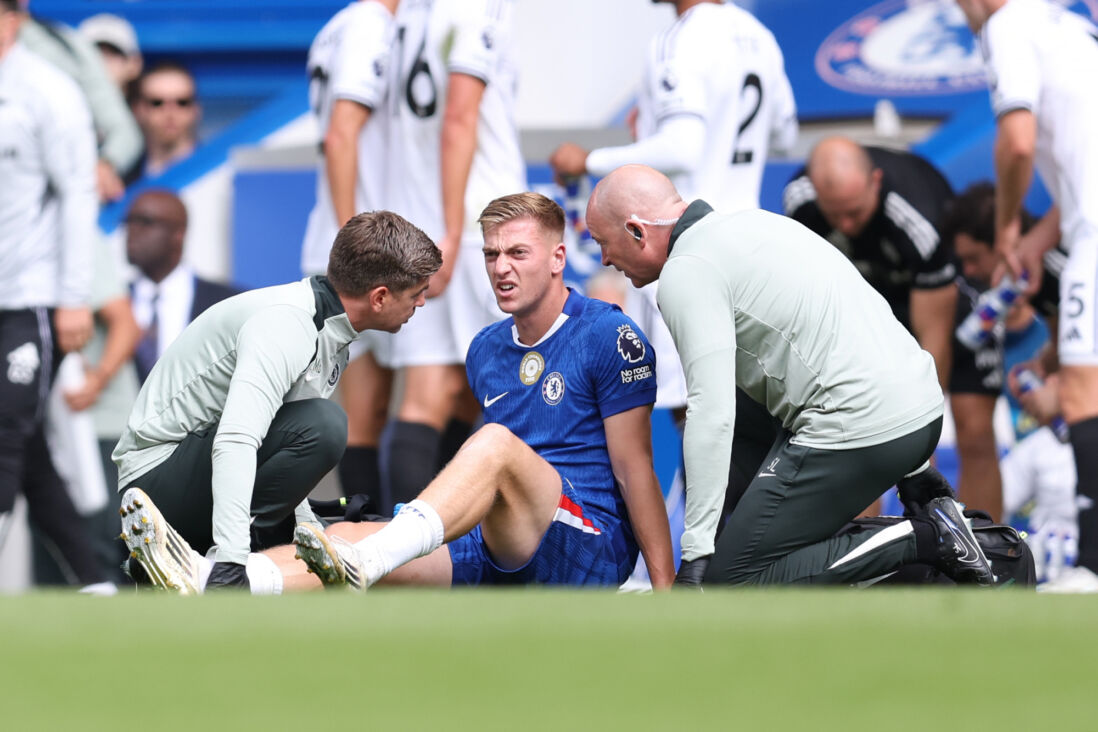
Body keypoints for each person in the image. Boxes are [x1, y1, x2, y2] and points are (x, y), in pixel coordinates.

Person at [119, 193, 675, 594]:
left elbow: (635, 468)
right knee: (347, 532)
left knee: (492, 446)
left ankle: (244, 563)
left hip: (585, 540)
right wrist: (233, 560)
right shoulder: (483, 348)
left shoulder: (608, 332)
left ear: (558, 259)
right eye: (490, 254)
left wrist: (661, 585)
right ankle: (209, 580)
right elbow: (240, 437)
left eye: (518, 254)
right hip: (499, 541)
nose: (500, 268)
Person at [585, 164, 994, 587]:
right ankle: (818, 547)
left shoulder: (686, 271)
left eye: (603, 242)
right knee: (745, 402)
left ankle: (928, 537)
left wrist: (697, 555)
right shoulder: (757, 223)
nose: (604, 259)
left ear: (636, 231)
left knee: (733, 582)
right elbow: (860, 331)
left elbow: (711, 414)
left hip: (866, 427)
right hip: (919, 413)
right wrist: (915, 470)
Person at [114, 211, 440, 592]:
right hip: (153, 486)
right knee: (325, 424)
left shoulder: (325, 325)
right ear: (380, 297)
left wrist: (308, 531)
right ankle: (209, 559)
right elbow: (237, 440)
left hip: (186, 472)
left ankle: (200, 562)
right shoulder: (288, 325)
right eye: (417, 293)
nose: (420, 304)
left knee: (319, 454)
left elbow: (279, 450)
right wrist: (230, 563)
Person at [549, 0, 797, 423]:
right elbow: (784, 135)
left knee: (696, 409)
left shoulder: (680, 38)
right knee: (742, 408)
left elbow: (682, 149)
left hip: (688, 249)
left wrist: (587, 160)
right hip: (748, 246)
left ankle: (709, 494)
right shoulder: (759, 36)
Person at [956, 0, 1098, 592]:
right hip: (1082, 225)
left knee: (1083, 394)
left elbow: (1017, 143)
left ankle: (1092, 565)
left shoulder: (1007, 26)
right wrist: (1040, 242)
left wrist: (1009, 226)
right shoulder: (1072, 27)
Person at [781, 139, 997, 515]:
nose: (846, 226)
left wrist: (920, 440)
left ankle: (983, 554)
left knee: (974, 432)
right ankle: (864, 562)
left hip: (947, 304)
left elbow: (934, 337)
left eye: (854, 213)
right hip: (873, 307)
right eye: (836, 216)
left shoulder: (917, 220)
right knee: (856, 438)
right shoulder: (799, 203)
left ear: (875, 183)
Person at [381, 0, 526, 508]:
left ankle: (423, 561)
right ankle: (515, 561)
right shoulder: (478, 7)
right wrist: (450, 227)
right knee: (516, 394)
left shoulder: (408, 17)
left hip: (428, 218)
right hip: (473, 226)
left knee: (439, 395)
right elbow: (460, 118)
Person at [0, 0, 110, 591]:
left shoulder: (48, 89)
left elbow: (77, 195)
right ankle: (95, 582)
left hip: (28, 298)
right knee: (32, 453)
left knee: (5, 430)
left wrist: (73, 298)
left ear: (15, 17)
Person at [301, 0, 399, 504]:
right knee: (414, 402)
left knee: (366, 415)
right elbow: (341, 135)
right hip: (365, 249)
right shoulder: (369, 23)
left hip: (348, 241)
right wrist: (355, 241)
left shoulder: (336, 25)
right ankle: (393, 555)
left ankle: (375, 551)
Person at [19, 6, 142, 203]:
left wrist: (105, 166)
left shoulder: (66, 45)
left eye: (113, 54)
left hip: (46, 193)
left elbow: (124, 133)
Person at [124, 190, 240, 384]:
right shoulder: (111, 304)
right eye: (129, 222)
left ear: (178, 234)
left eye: (145, 222)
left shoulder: (228, 303)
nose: (131, 232)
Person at [129, 61, 201, 182]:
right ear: (138, 110)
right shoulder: (121, 181)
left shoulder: (219, 175)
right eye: (157, 103)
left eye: (182, 102)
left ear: (195, 110)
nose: (170, 113)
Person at [77, 12, 143, 102]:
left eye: (112, 54)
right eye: (92, 54)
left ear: (134, 63)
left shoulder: (152, 111)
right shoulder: (63, 111)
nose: (101, 62)